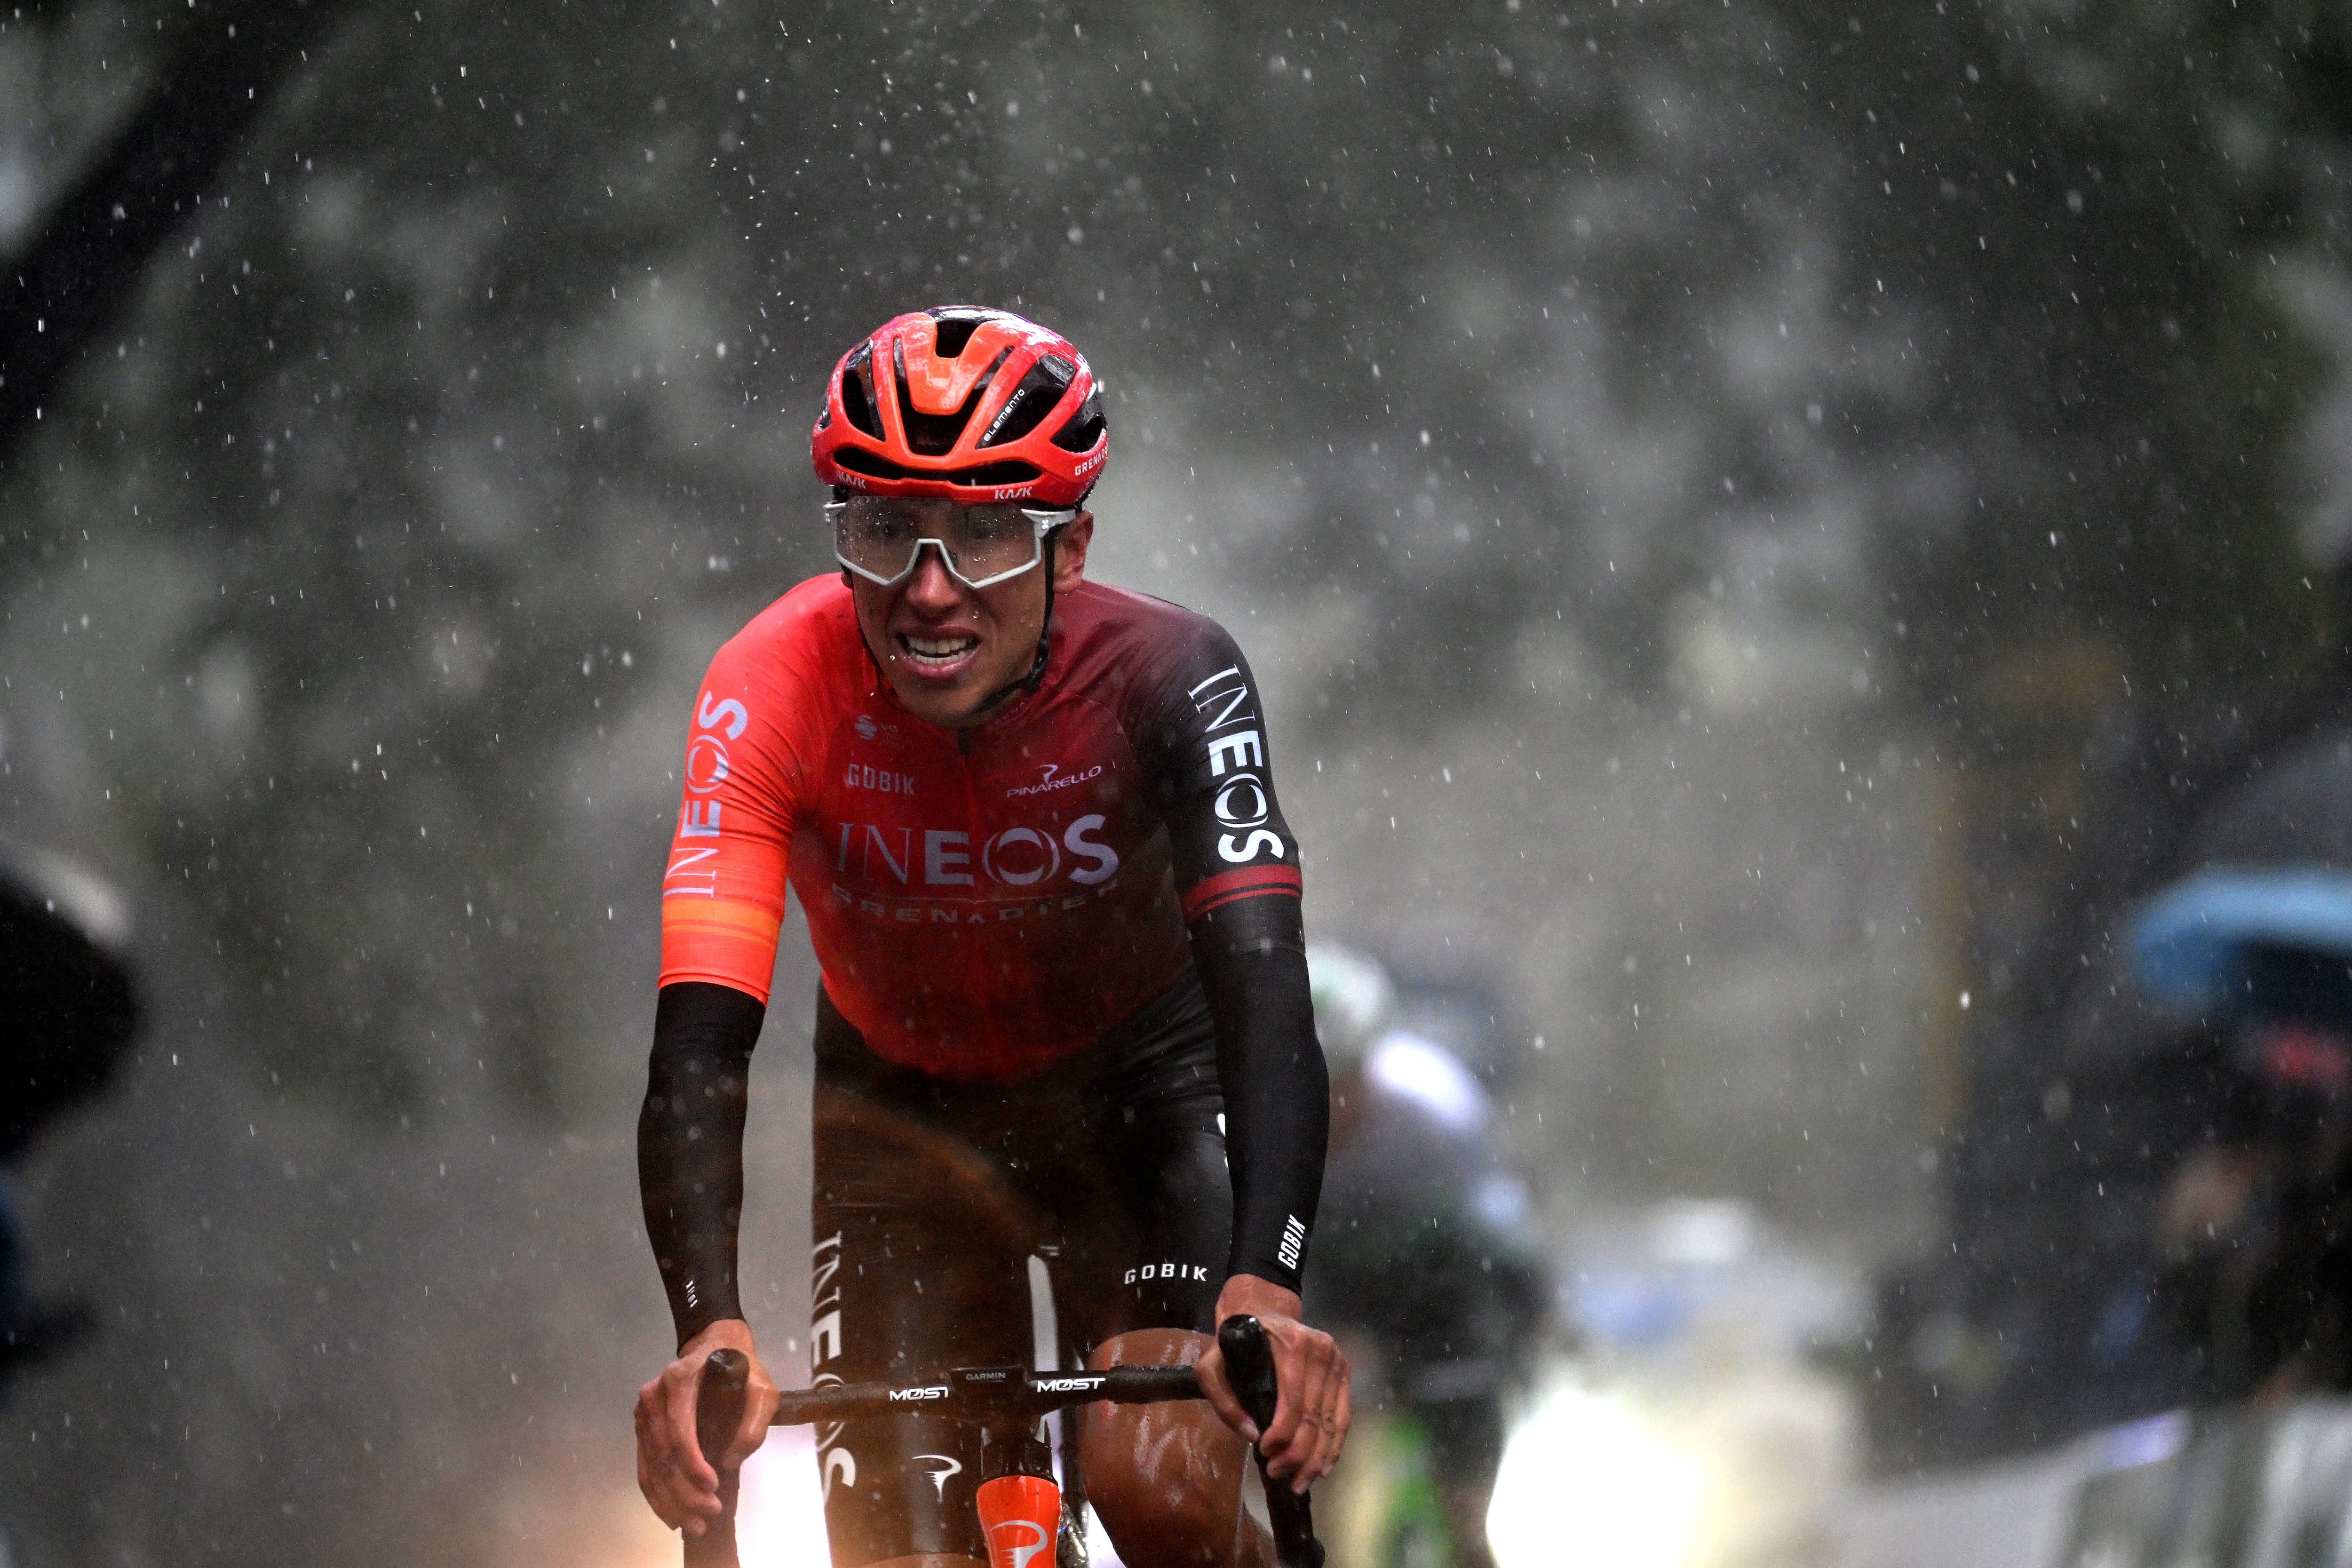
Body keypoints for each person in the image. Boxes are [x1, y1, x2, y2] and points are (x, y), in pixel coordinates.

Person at [631, 306, 1349, 1568]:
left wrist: (1267, 1284)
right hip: (904, 1122)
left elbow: (1263, 987)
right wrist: (709, 1323)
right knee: (898, 1555)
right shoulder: (767, 685)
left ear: (1070, 546)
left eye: (982, 532)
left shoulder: (1173, 675)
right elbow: (699, 1043)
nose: (927, 586)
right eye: (882, 528)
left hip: (1140, 1099)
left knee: (1161, 1492)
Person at [1301, 945, 1546, 1568]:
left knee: (1464, 1501)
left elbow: (1505, 1253)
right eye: (1303, 1085)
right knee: (1304, 1495)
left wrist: (1520, 1346)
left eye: (1344, 1080)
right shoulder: (1244, 1134)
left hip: (1439, 1297)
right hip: (1324, 1289)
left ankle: (1466, 1538)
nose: (1329, 1105)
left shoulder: (1434, 1123)